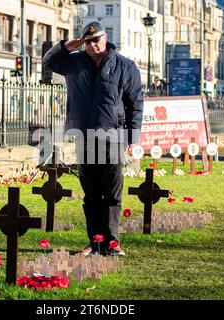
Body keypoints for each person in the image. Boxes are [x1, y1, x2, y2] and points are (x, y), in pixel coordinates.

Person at [43, 21, 143, 256]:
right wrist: (67, 46)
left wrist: (133, 137)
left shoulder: (125, 66)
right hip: (84, 137)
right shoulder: (74, 62)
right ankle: (94, 241)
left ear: (105, 38)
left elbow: (135, 102)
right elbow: (49, 62)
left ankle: (111, 242)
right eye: (87, 42)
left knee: (112, 193)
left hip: (113, 138)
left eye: (96, 40)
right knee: (91, 194)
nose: (92, 45)